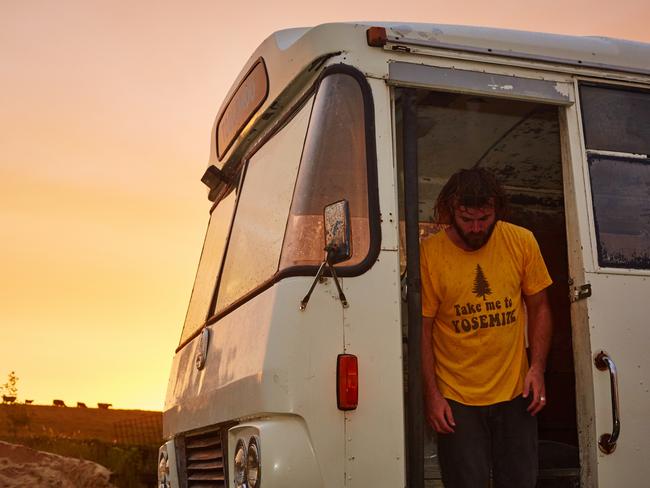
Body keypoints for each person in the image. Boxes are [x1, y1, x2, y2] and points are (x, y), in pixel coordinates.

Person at [420, 168, 553, 488]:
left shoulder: (521, 241)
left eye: (485, 218)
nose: (477, 228)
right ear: (450, 211)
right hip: (458, 400)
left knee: (520, 481)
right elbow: (422, 330)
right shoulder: (430, 253)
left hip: (516, 393)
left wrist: (537, 368)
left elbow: (540, 308)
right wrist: (432, 396)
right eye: (468, 219)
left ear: (497, 209)